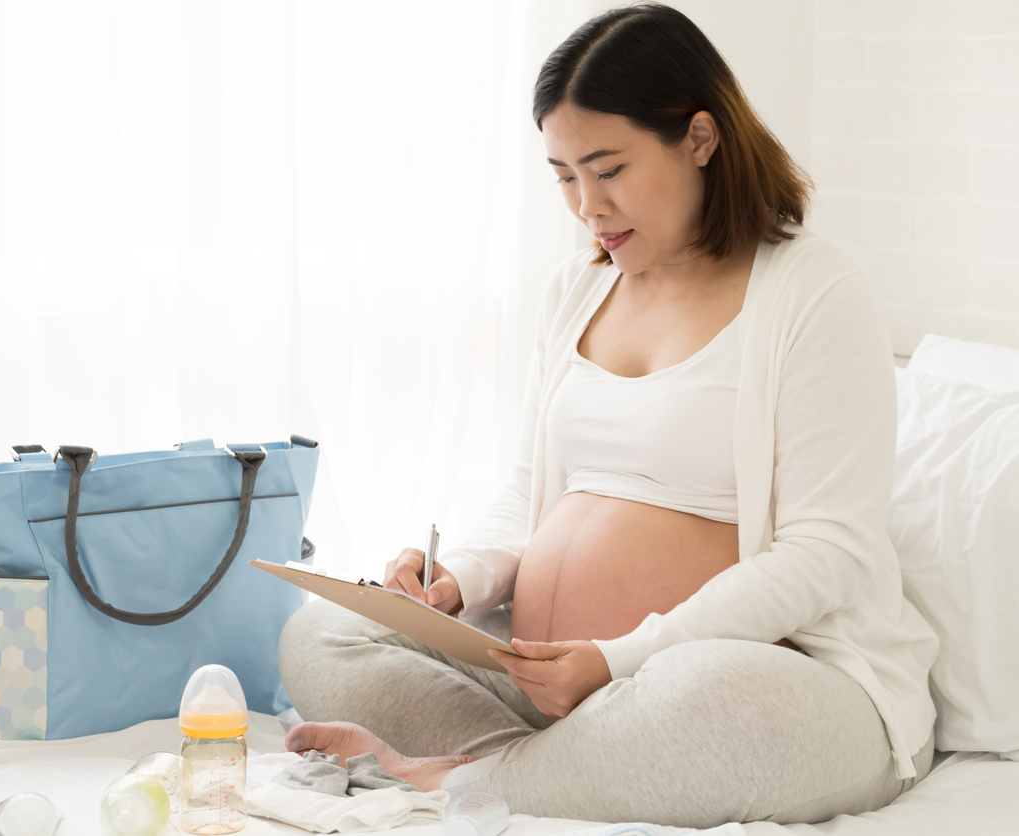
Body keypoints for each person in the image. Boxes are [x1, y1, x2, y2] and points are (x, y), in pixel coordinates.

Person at [276, 3, 939, 827]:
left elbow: (826, 554)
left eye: (609, 168)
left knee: (706, 698)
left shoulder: (815, 291)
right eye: (563, 175)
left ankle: (452, 780)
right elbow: (527, 496)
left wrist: (623, 657)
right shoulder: (577, 289)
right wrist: (460, 581)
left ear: (700, 139)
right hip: (553, 687)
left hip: (758, 681)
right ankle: (521, 774)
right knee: (324, 632)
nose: (587, 205)